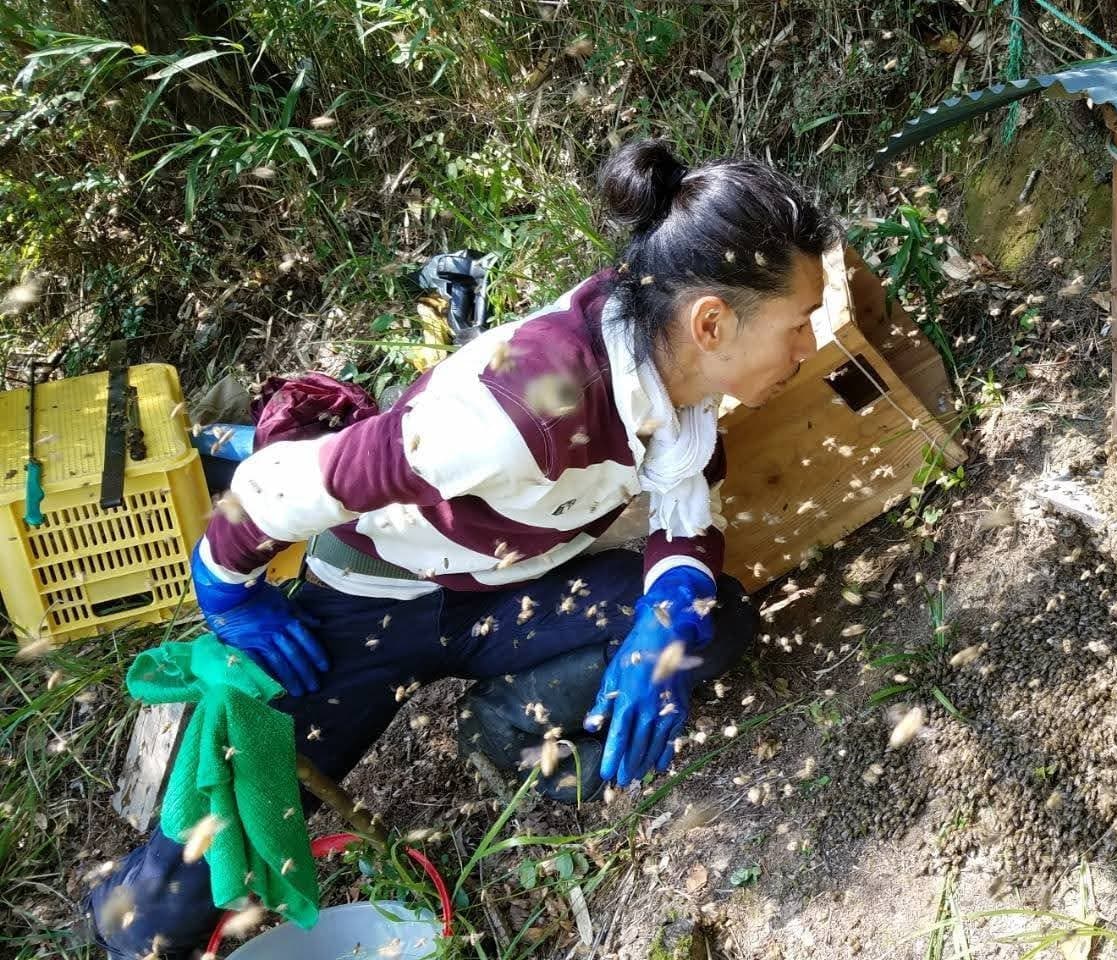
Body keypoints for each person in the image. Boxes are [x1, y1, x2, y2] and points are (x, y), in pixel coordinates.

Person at [87, 139, 836, 959]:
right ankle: (126, 911)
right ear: (712, 322)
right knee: (177, 889)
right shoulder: (517, 407)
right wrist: (227, 586)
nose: (808, 346)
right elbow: (282, 482)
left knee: (709, 622)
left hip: (505, 590)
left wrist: (667, 615)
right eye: (799, 324)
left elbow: (685, 501)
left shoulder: (673, 374)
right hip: (375, 600)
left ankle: (506, 734)